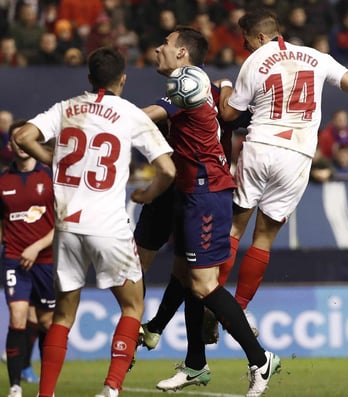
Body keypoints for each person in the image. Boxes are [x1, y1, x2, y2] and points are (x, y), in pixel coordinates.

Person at [14, 46, 176, 397]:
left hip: (67, 226)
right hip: (109, 225)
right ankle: (111, 388)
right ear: (123, 79)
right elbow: (168, 169)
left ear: (89, 79)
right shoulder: (130, 114)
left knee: (62, 317)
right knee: (133, 305)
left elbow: (22, 136)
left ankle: (45, 395)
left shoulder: (66, 108)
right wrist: (148, 194)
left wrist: (54, 160)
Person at [217, 9, 348, 324]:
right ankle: (239, 309)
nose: (245, 46)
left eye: (246, 40)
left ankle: (213, 302)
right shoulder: (317, 57)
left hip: (260, 145)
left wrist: (226, 86)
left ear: (260, 36)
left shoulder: (255, 61)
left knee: (233, 228)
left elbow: (229, 115)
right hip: (297, 155)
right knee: (264, 238)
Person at [136, 26, 280, 397]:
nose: (157, 48)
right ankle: (195, 364)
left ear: (182, 53)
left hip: (205, 194)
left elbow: (149, 115)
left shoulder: (188, 84)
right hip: (191, 193)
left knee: (203, 284)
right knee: (186, 278)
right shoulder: (205, 84)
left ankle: (260, 358)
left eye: (165, 43)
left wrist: (105, 118)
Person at [0, 119, 55, 397]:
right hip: (13, 260)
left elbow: (63, 224)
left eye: (25, 138)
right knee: (18, 317)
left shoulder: (49, 177)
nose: (21, 144)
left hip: (45, 261)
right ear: (11, 145)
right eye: (15, 139)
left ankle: (46, 387)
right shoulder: (3, 182)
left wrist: (36, 247)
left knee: (46, 322)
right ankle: (15, 387)